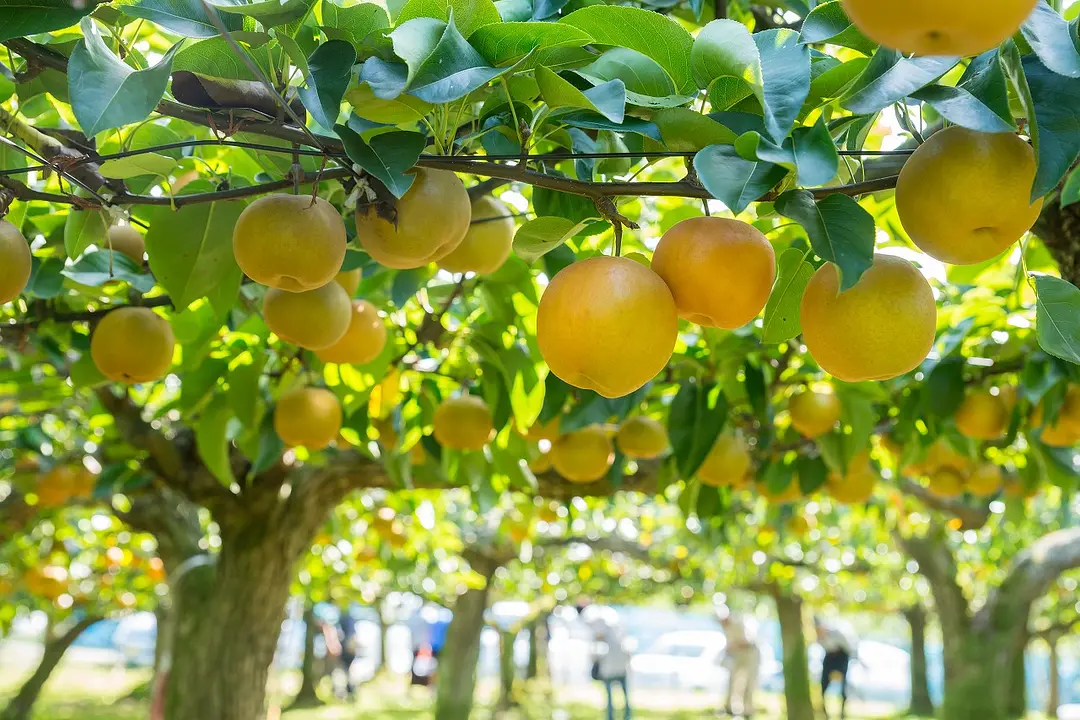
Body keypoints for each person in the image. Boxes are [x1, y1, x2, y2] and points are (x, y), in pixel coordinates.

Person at [584, 605, 632, 720]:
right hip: (621, 665)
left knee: (611, 695)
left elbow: (596, 650)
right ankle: (626, 716)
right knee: (624, 694)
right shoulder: (618, 627)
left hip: (610, 667)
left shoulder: (604, 631)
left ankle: (612, 717)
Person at [717, 606, 761, 718]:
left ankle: (748, 711)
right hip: (737, 655)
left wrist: (733, 647)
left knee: (749, 683)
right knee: (733, 681)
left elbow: (746, 642)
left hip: (750, 654)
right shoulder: (726, 627)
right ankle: (729, 708)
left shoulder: (738, 624)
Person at [815, 616, 858, 720]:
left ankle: (842, 713)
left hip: (841, 656)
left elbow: (848, 647)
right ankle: (825, 712)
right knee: (823, 683)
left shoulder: (837, 634)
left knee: (843, 686)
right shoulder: (819, 637)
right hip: (829, 656)